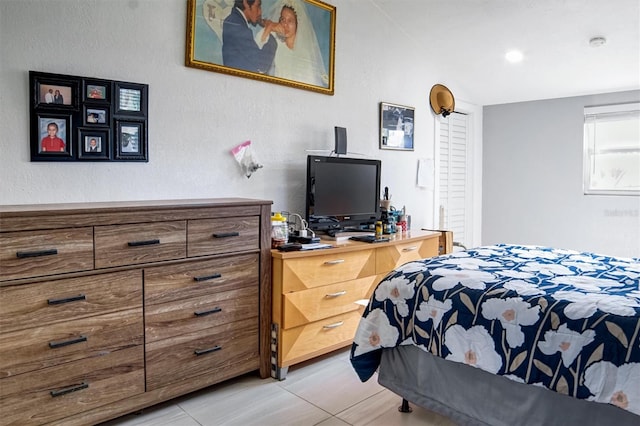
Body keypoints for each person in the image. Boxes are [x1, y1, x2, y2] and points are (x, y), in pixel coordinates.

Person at [259, 0, 328, 87]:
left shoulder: (305, 54)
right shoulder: (276, 44)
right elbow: (258, 55)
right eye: (282, 19)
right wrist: (269, 27)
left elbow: (311, 82)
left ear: (297, 23)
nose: (285, 24)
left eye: (290, 21)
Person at [222, 0, 277, 74]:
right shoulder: (235, 23)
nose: (260, 12)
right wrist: (271, 31)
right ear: (246, 3)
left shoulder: (236, 22)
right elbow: (261, 64)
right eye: (258, 6)